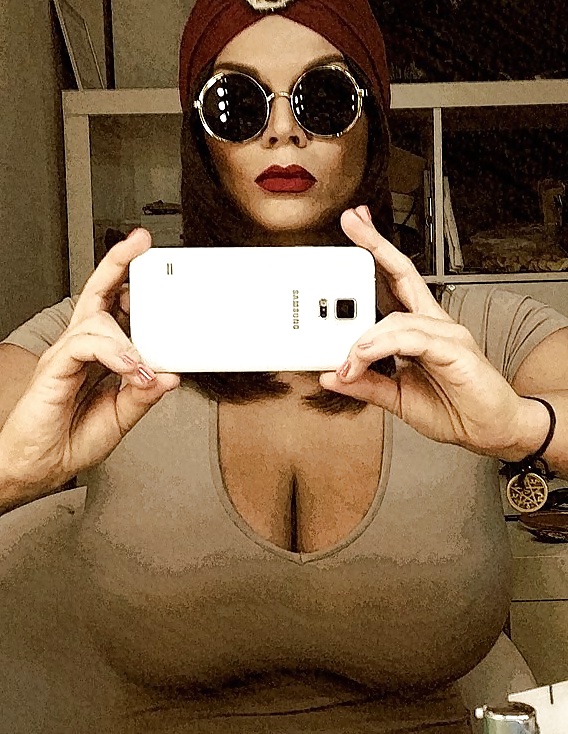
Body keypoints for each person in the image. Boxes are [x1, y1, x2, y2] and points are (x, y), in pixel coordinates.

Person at [1, 0, 568, 731]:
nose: (282, 130)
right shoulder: (100, 339)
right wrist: (14, 471)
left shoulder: (466, 334)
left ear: (372, 125)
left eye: (323, 98)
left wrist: (524, 425)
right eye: (237, 104)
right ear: (201, 140)